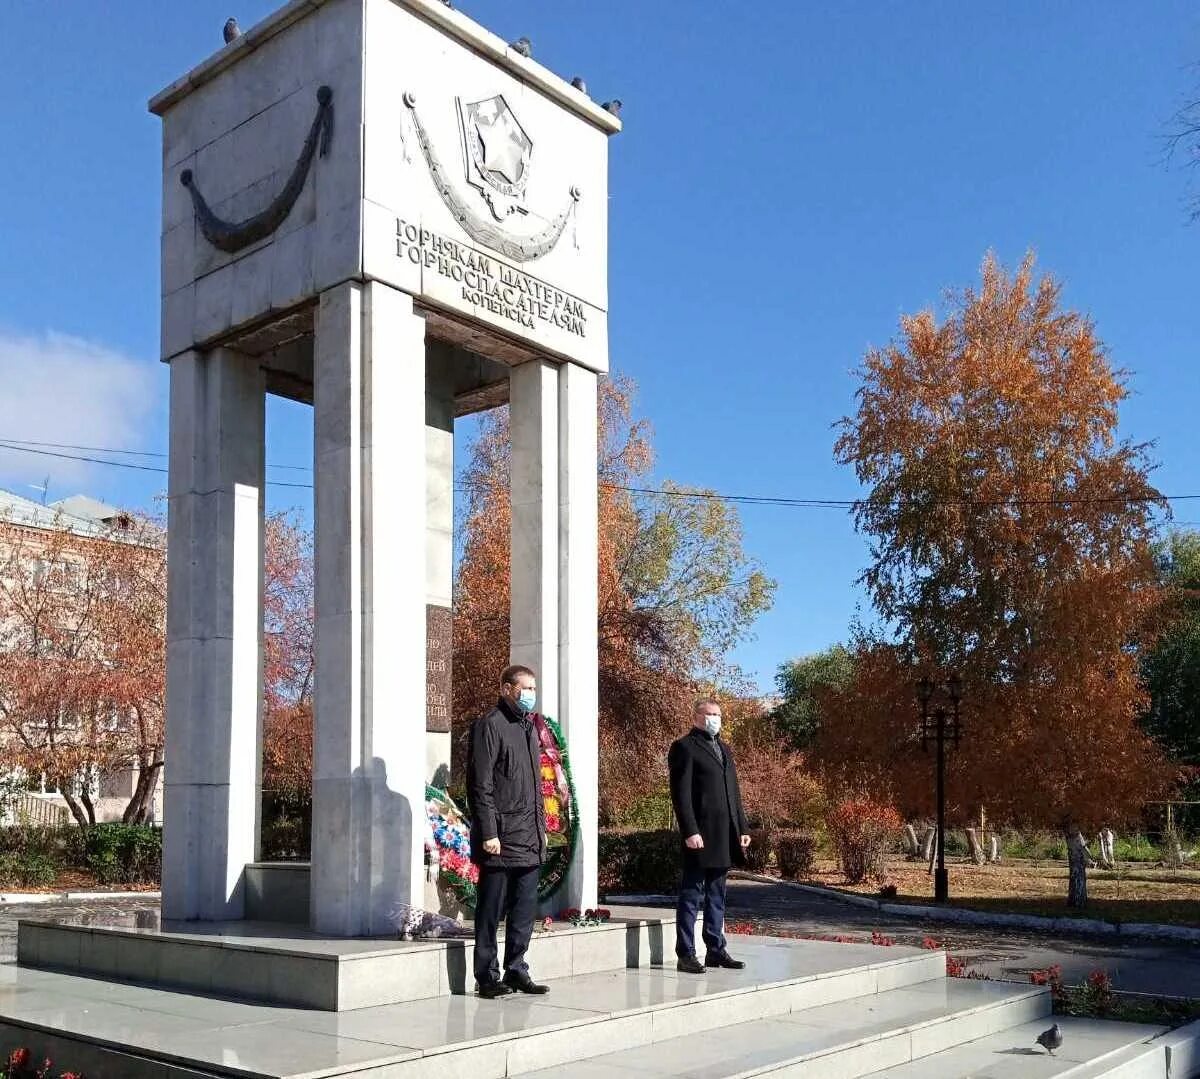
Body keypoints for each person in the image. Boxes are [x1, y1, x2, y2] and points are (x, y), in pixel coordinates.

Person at [467, 664, 550, 998]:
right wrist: (489, 832)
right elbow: (480, 785)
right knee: (491, 909)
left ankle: (517, 969)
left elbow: (534, 787)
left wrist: (541, 828)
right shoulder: (491, 726)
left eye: (532, 688)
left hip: (529, 836)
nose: (530, 694)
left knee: (524, 910)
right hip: (500, 839)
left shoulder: (530, 728)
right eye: (524, 688)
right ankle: (487, 976)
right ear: (506, 689)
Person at [667, 698, 751, 973]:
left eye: (718, 715)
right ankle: (686, 953)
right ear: (697, 717)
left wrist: (742, 828)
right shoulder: (684, 748)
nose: (715, 719)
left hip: (724, 834)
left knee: (717, 894)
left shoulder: (724, 749)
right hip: (700, 835)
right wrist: (690, 830)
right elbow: (681, 795)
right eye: (710, 714)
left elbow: (733, 794)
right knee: (692, 894)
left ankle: (715, 949)